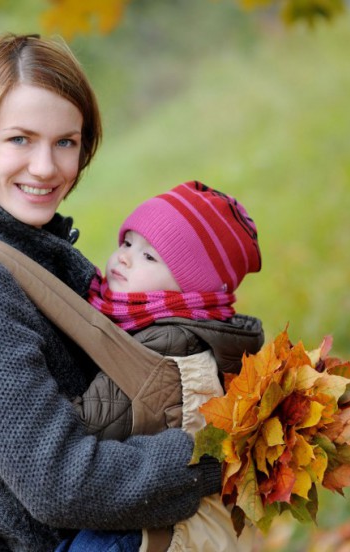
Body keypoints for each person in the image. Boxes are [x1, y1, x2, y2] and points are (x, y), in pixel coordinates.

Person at [0, 34, 222, 552]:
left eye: (65, 142)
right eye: (19, 140)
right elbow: (62, 483)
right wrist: (221, 453)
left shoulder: (44, 253)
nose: (47, 168)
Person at [73, 181, 264, 551]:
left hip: (147, 535)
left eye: (149, 257)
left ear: (191, 290)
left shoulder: (166, 343)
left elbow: (92, 424)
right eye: (127, 243)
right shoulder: (183, 326)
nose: (124, 257)